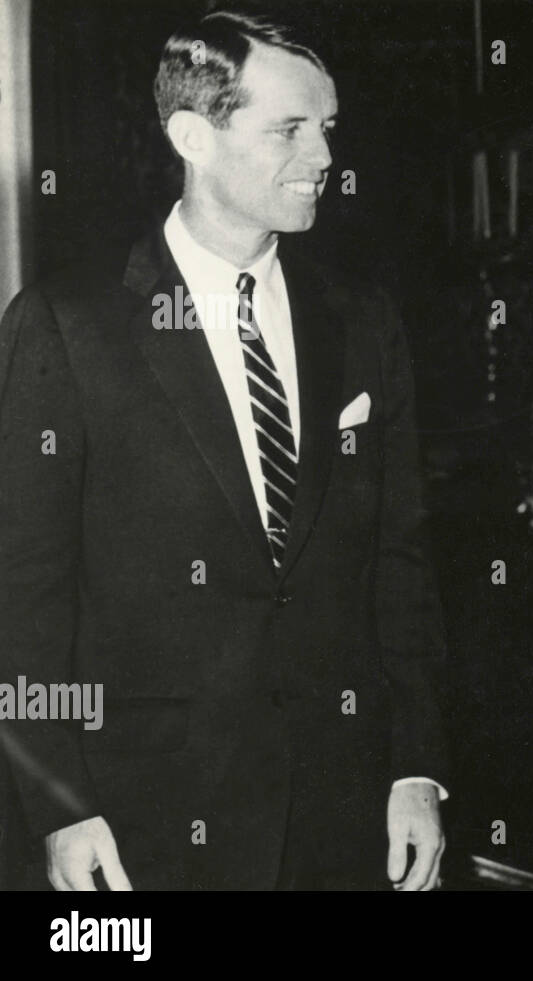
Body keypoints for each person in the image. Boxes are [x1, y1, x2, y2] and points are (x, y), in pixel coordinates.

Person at [0, 10, 451, 890]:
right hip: (137, 830)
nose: (324, 157)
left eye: (327, 128)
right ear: (192, 136)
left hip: (343, 818)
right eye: (289, 128)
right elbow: (21, 599)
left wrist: (414, 768)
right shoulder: (66, 325)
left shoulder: (363, 321)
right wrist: (59, 807)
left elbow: (402, 567)